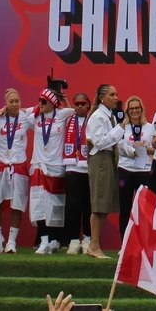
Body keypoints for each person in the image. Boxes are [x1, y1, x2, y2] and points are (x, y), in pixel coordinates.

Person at [0, 88, 35, 253]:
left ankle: (12, 242)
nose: (14, 104)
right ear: (5, 103)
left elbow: (39, 108)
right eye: (11, 102)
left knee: (17, 205)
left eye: (17, 101)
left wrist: (19, 109)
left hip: (18, 166)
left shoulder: (26, 118)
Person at [30, 88, 74, 254]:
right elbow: (18, 113)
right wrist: (36, 108)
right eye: (39, 100)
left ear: (53, 104)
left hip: (56, 167)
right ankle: (43, 240)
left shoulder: (61, 115)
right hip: (39, 166)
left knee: (54, 206)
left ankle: (54, 240)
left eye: (44, 101)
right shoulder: (34, 118)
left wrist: (64, 100)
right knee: (38, 204)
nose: (40, 104)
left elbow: (75, 114)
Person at [85, 84, 126, 258]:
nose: (116, 98)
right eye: (112, 94)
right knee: (99, 203)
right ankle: (93, 245)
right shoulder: (98, 117)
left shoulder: (110, 117)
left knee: (104, 204)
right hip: (100, 159)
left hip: (108, 159)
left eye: (116, 94)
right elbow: (99, 142)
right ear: (102, 97)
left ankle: (95, 245)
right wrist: (120, 129)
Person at [117, 95, 154, 237]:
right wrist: (132, 150)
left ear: (141, 109)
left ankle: (144, 242)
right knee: (125, 208)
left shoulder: (150, 127)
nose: (134, 111)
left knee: (144, 209)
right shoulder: (122, 128)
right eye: (131, 108)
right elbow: (119, 146)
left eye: (137, 108)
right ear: (127, 111)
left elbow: (155, 148)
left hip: (144, 170)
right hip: (125, 169)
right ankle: (124, 244)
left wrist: (144, 148)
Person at [63, 92, 93, 254]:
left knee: (88, 205)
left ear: (88, 105)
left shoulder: (94, 119)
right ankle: (73, 240)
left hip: (89, 168)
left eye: (83, 103)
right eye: (77, 104)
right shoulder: (67, 118)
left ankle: (88, 239)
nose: (80, 106)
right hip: (72, 167)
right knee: (72, 206)